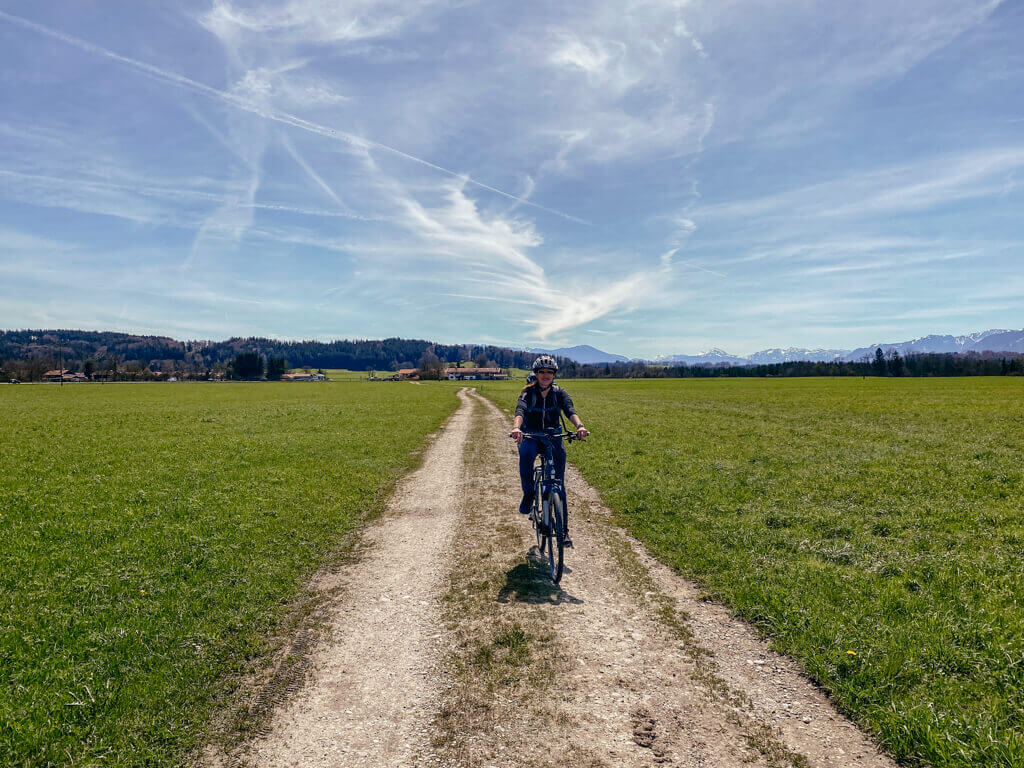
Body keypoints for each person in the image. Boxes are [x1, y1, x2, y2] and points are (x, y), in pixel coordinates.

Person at [509, 356, 589, 547]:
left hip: (553, 436)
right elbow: (520, 411)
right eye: (542, 372)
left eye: (549, 372)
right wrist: (516, 428)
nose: (545, 375)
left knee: (558, 486)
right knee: (526, 456)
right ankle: (528, 494)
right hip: (531, 435)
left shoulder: (559, 393)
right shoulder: (528, 394)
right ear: (536, 374)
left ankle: (564, 532)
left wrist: (579, 426)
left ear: (554, 375)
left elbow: (570, 410)